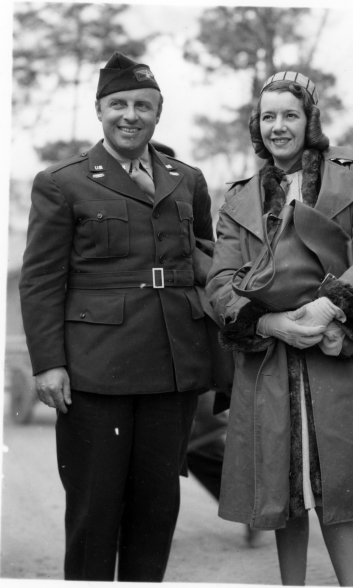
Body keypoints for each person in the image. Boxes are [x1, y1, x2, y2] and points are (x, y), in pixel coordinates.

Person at [206, 71, 353, 586]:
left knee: (339, 490)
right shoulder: (238, 200)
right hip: (270, 359)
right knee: (284, 492)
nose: (278, 127)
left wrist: (328, 309)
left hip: (337, 358)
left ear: (309, 121)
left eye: (290, 114)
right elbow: (220, 280)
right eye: (268, 117)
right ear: (256, 126)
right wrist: (269, 322)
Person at [19, 52, 214, 582]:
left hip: (172, 367)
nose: (131, 115)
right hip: (94, 370)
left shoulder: (188, 180)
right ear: (100, 110)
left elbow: (206, 266)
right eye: (119, 104)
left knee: (156, 510)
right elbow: (39, 280)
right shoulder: (63, 182)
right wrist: (48, 364)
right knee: (94, 510)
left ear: (158, 113)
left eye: (143, 106)